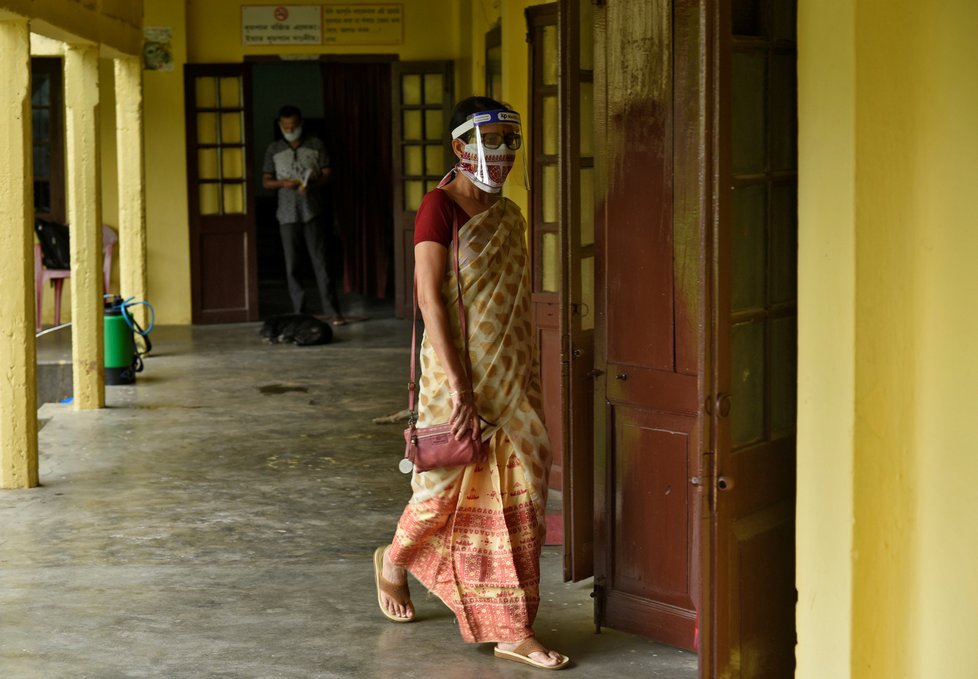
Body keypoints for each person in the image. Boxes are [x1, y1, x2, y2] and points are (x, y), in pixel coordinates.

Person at [372, 97, 569, 670]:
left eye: (511, 142)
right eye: (492, 142)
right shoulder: (439, 207)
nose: (503, 154)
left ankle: (513, 626)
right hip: (455, 379)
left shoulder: (508, 215)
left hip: (513, 379)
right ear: (461, 148)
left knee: (527, 491)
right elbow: (430, 299)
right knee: (438, 494)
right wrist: (461, 389)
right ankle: (392, 561)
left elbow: (510, 303)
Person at [261, 105, 346, 325]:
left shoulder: (316, 145)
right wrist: (283, 183)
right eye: (286, 126)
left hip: (312, 211)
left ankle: (333, 311)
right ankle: (300, 311)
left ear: (301, 124)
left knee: (322, 262)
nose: (290, 129)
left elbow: (329, 173)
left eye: (294, 125)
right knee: (292, 265)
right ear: (280, 125)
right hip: (287, 214)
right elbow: (266, 181)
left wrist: (315, 183)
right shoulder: (274, 149)